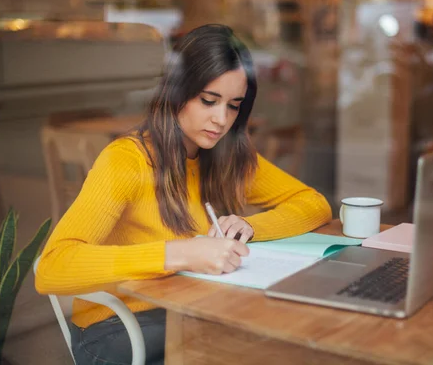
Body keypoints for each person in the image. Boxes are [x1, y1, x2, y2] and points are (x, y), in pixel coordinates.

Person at [35, 24, 332, 365]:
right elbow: (52, 268)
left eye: (234, 106)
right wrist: (177, 253)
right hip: (118, 328)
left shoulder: (228, 155)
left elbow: (314, 204)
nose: (221, 120)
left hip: (188, 307)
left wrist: (250, 227)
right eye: (208, 100)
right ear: (178, 92)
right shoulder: (127, 160)